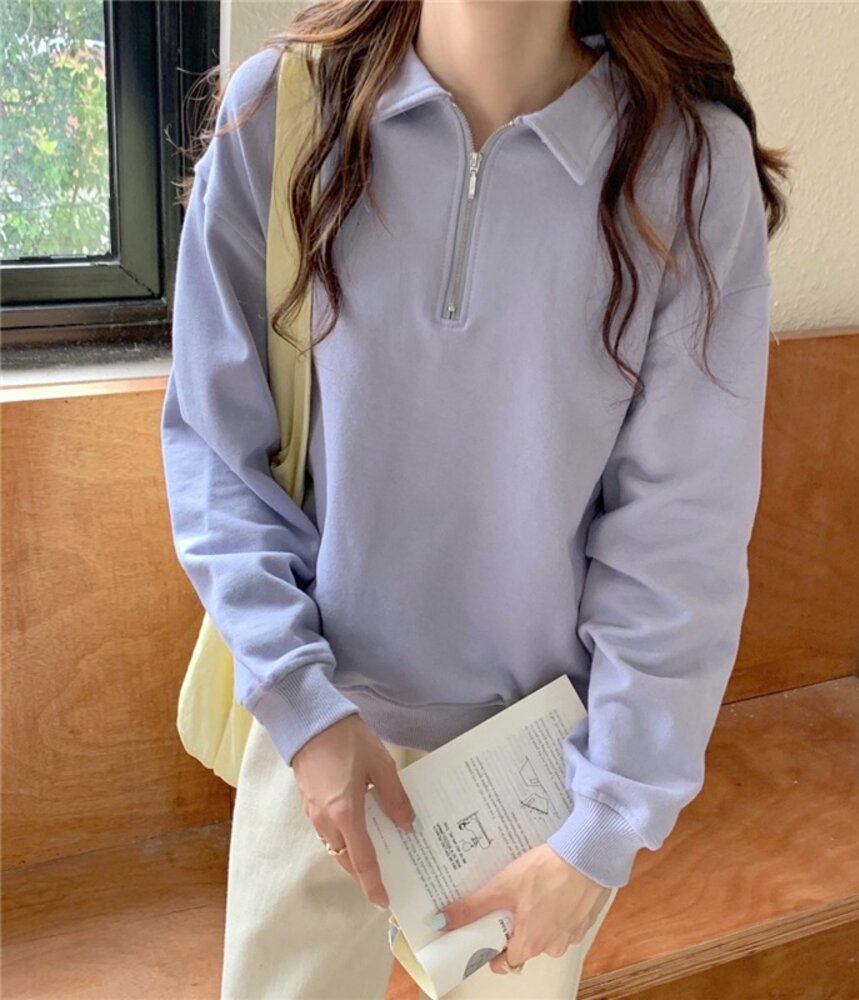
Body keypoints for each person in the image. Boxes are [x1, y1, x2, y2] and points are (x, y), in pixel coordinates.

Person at [160, 0, 789, 997]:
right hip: (317, 733)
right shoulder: (286, 112)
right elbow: (215, 448)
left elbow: (680, 537)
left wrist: (604, 825)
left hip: (540, 782)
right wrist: (302, 710)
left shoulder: (690, 168)